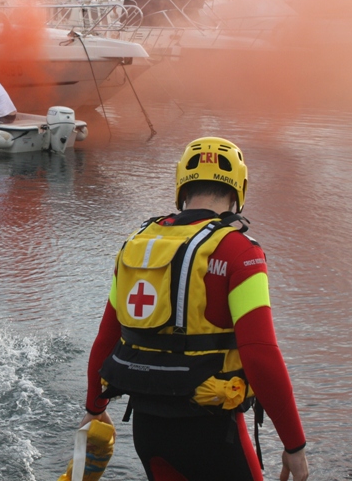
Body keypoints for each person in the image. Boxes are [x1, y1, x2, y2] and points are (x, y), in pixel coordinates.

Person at [80, 137, 309, 481]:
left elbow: (106, 339)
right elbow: (260, 355)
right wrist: (295, 446)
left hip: (147, 430)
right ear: (239, 191)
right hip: (213, 435)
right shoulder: (240, 252)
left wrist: (93, 408)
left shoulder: (136, 244)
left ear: (181, 186)